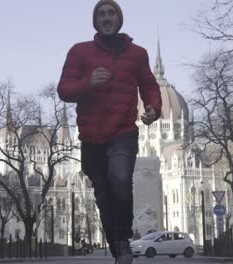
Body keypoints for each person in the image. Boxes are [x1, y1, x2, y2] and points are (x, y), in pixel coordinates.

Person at [57, 0, 162, 263]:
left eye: (110, 13)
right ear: (96, 21)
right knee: (104, 194)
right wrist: (88, 83)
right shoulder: (79, 52)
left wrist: (154, 108)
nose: (106, 17)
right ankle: (118, 244)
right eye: (101, 14)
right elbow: (64, 89)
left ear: (119, 19)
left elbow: (149, 85)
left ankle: (123, 238)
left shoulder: (138, 54)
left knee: (121, 179)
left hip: (123, 131)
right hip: (91, 136)